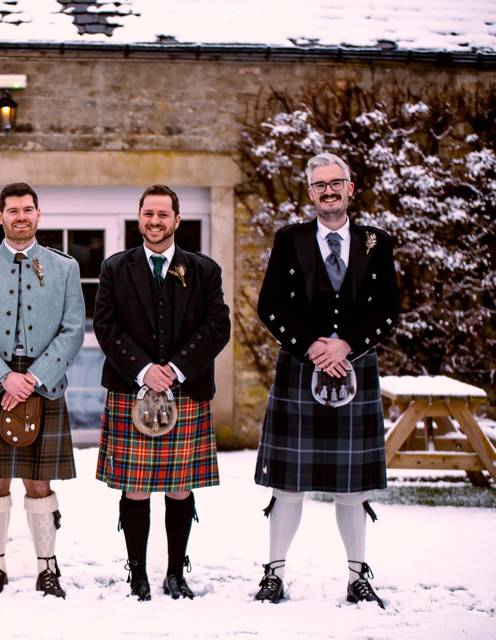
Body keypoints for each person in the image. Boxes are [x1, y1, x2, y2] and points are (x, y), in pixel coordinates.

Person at [253, 152, 400, 608]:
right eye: (320, 185)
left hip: (355, 365)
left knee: (352, 486)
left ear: (350, 188)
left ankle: (358, 576)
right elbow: (269, 305)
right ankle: (274, 572)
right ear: (310, 192)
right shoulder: (289, 239)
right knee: (288, 483)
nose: (329, 191)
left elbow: (388, 309)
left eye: (336, 183)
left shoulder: (377, 241)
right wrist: (311, 347)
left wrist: (347, 345)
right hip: (301, 367)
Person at [93, 184, 230, 601]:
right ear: (139, 218)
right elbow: (105, 326)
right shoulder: (116, 268)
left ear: (177, 219)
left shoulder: (204, 269)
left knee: (180, 485)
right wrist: (143, 370)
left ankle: (175, 571)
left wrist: (174, 369)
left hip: (185, 390)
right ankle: (137, 573)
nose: (155, 221)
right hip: (131, 390)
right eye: (148, 214)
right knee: (134, 485)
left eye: (163, 214)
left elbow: (217, 326)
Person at [0, 182, 85, 600]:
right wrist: (4, 376)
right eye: (13, 210)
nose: (21, 216)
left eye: (28, 209)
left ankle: (48, 567)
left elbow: (73, 330)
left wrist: (34, 377)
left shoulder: (64, 267)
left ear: (38, 215)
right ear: (0, 217)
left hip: (42, 385)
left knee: (39, 481)